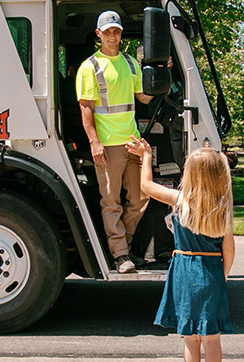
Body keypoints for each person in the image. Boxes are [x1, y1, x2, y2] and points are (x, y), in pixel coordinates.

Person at [126, 137, 235, 362]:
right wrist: (222, 276)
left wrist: (146, 156)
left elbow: (146, 186)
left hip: (184, 269)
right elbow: (229, 248)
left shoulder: (179, 200)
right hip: (211, 269)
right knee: (211, 339)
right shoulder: (222, 208)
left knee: (190, 339)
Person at [76, 10, 153, 273]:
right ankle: (120, 255)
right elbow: (86, 109)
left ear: (121, 33)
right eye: (107, 32)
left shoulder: (131, 63)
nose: (112, 36)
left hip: (132, 142)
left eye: (116, 31)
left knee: (141, 197)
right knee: (111, 202)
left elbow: (144, 98)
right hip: (107, 145)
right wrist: (94, 142)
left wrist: (160, 72)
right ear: (98, 34)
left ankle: (124, 246)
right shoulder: (90, 67)